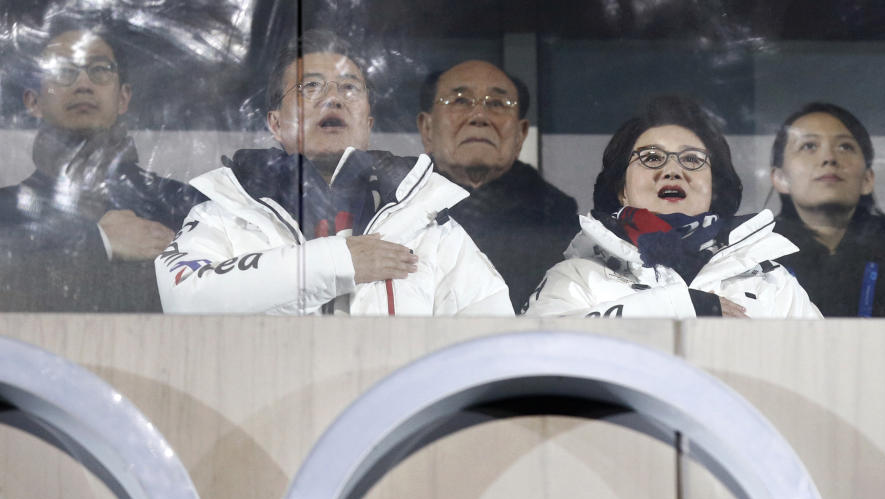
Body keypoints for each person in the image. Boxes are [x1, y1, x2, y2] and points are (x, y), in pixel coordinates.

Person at [157, 31, 511, 316]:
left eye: (349, 88)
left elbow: (492, 341)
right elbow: (185, 296)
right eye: (310, 87)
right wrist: (338, 262)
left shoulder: (429, 224)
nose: (333, 99)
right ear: (276, 124)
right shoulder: (224, 211)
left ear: (368, 124)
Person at [524, 95, 820, 319]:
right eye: (651, 158)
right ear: (621, 190)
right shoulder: (576, 276)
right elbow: (540, 356)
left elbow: (824, 370)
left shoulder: (773, 282)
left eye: (692, 160)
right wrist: (679, 308)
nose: (672, 171)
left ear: (714, 189)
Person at [0, 26, 200, 312]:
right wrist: (101, 242)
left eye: (100, 69)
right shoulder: (5, 211)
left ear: (123, 98)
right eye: (62, 70)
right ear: (34, 102)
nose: (83, 83)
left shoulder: (181, 204)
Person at [417, 61, 579, 313]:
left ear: (521, 134)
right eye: (460, 101)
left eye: (497, 104)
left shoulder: (557, 215)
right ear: (427, 129)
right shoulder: (394, 207)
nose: (479, 117)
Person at [770, 102, 885, 317]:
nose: (829, 158)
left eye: (845, 146)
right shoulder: (753, 266)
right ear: (780, 178)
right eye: (809, 146)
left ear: (867, 179)